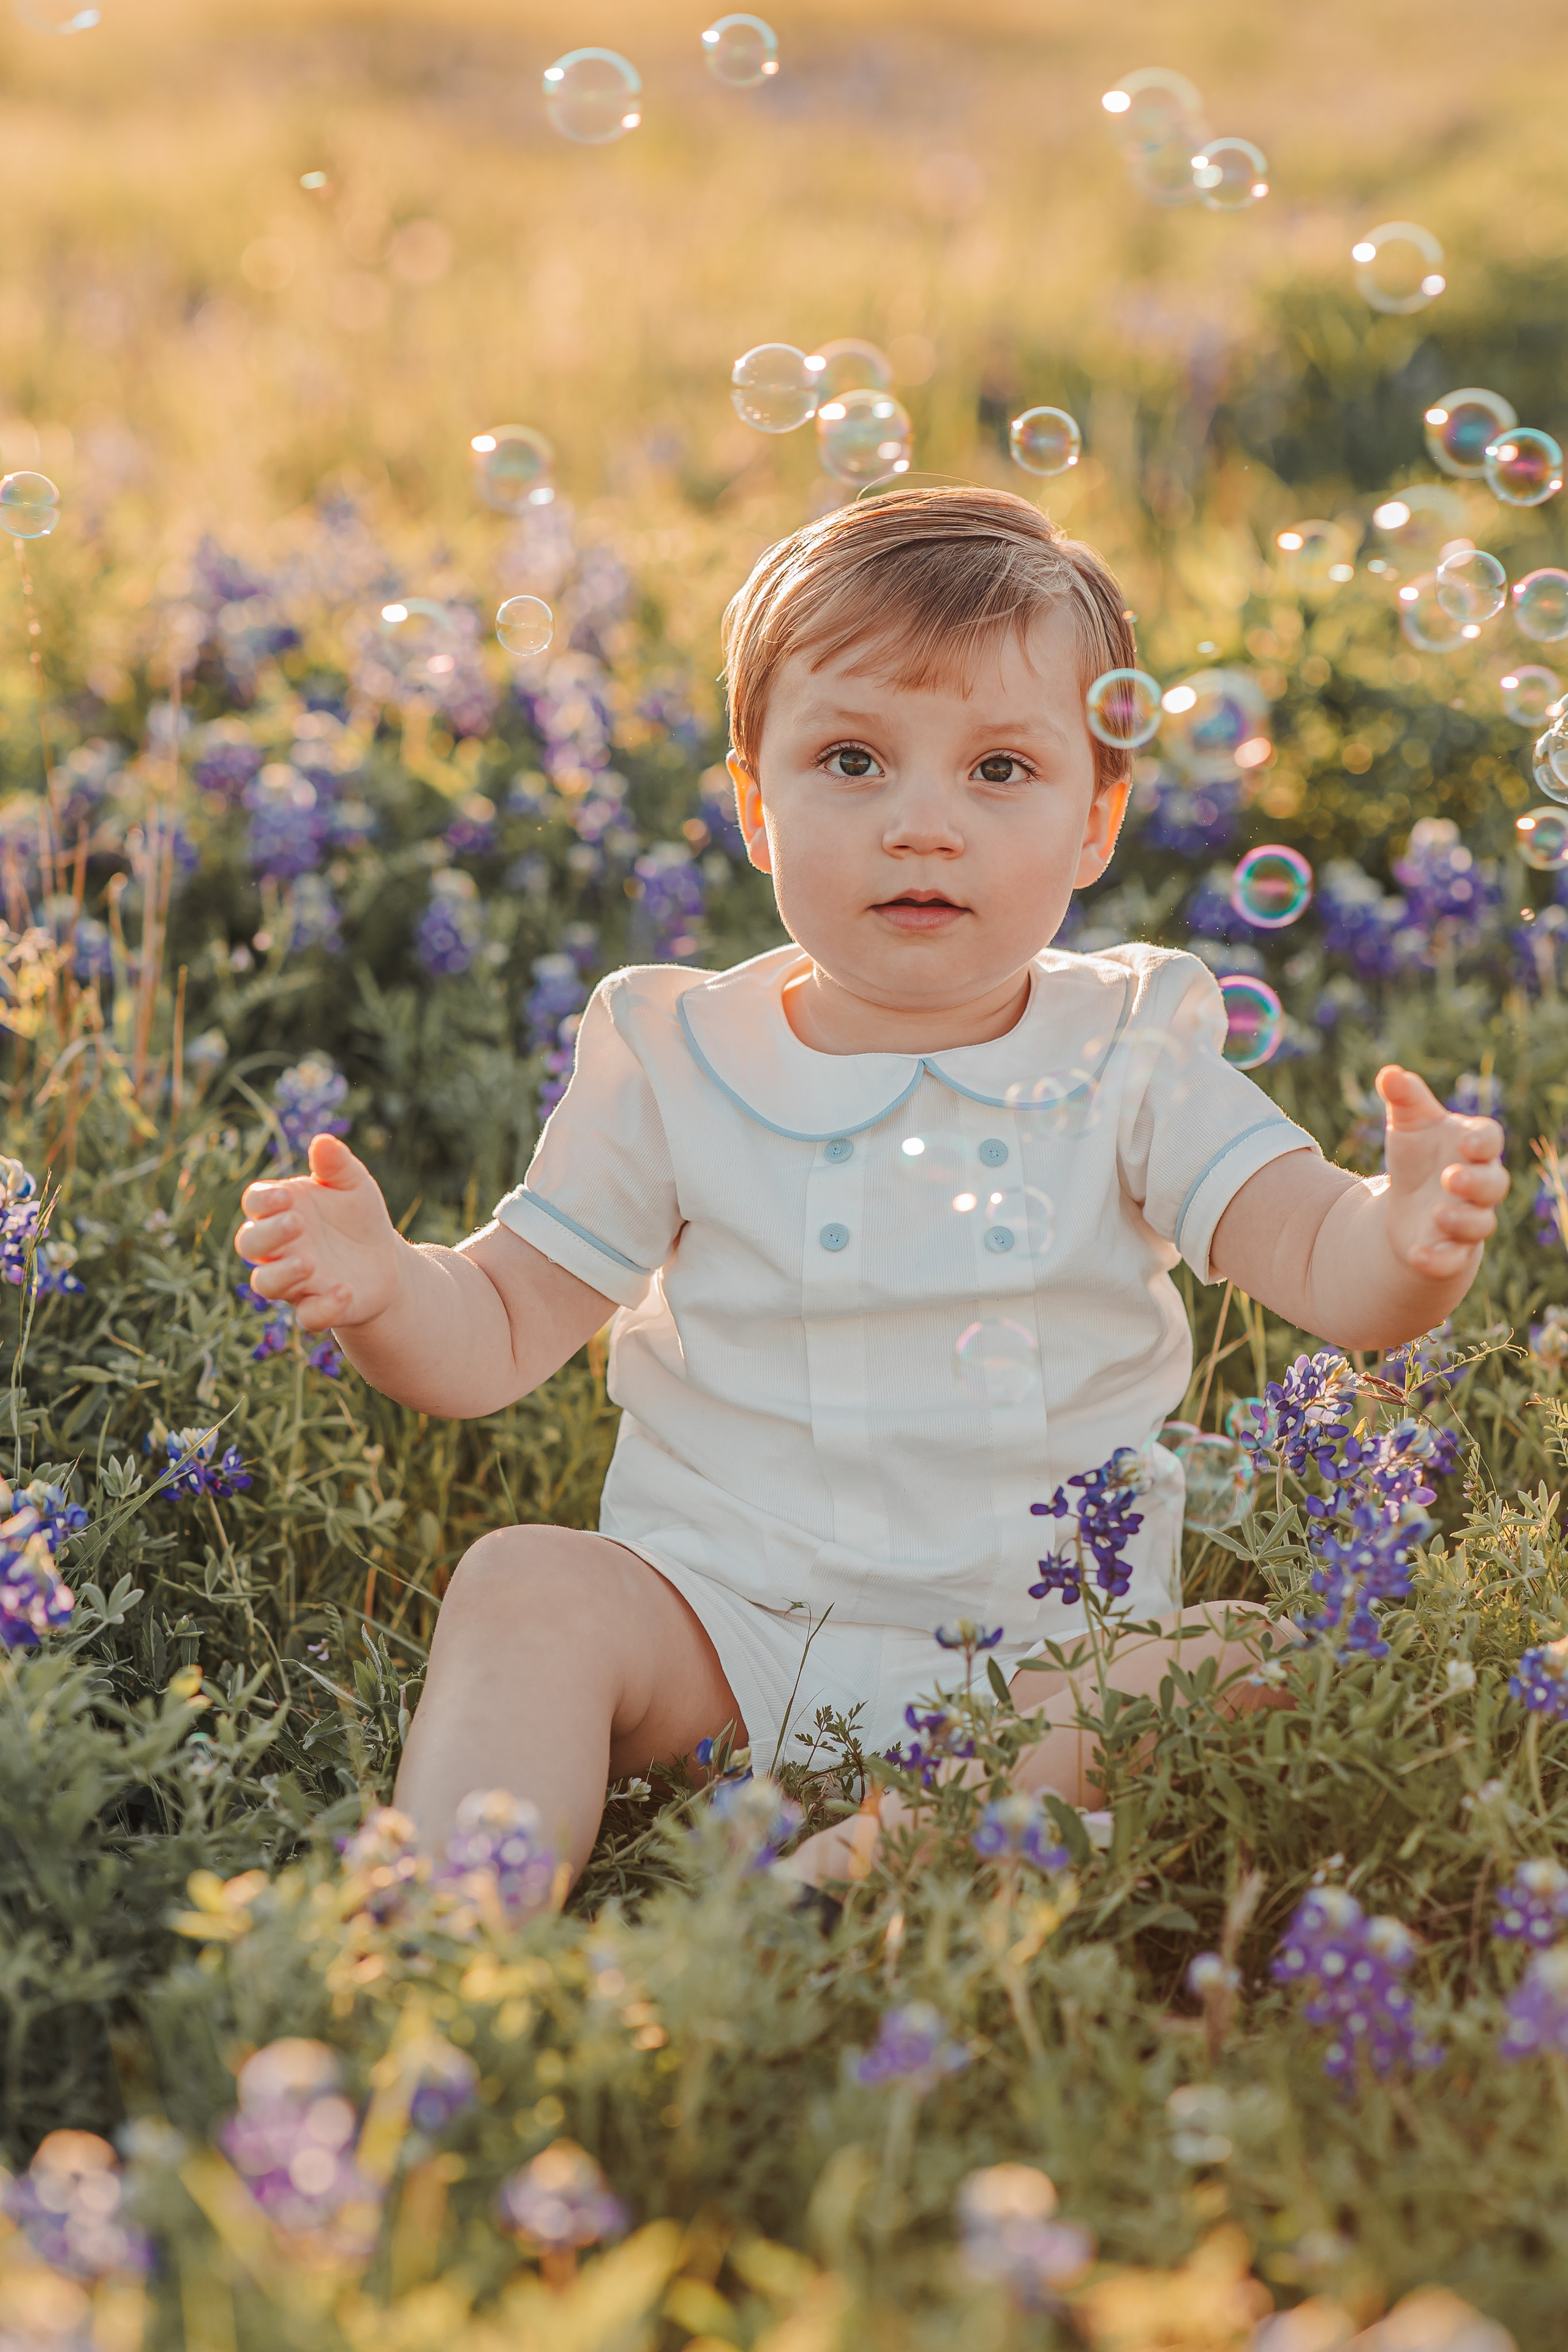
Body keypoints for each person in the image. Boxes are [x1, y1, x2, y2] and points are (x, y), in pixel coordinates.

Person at [233, 486, 1509, 1887]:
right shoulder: (670, 1052)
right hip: (720, 1630)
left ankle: (892, 1842)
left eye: (999, 771)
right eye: (849, 760)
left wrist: (1404, 1239)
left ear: (1099, 821)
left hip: (1049, 1648)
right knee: (524, 1585)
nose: (919, 823)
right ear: (752, 807)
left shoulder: (1133, 1047)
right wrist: (384, 1288)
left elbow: (1321, 1258)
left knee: (1240, 1656)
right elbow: (493, 1325)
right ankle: (456, 1936)